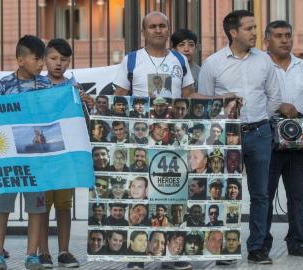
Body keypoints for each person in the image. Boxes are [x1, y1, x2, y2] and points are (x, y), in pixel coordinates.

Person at [198, 10, 285, 264]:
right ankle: (224, 248)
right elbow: (205, 103)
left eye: (255, 27)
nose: (255, 33)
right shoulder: (213, 63)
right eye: (249, 28)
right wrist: (225, 106)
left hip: (259, 132)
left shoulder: (265, 61)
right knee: (224, 193)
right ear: (233, 32)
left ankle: (257, 248)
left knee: (261, 193)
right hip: (226, 136)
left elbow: (275, 98)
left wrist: (258, 119)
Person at [114, 10, 196, 270]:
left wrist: (225, 101)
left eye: (163, 26)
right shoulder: (131, 61)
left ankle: (172, 253)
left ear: (168, 29)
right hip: (139, 141)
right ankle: (137, 254)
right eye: (153, 27)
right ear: (144, 31)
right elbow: (118, 100)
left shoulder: (180, 60)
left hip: (173, 142)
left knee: (172, 195)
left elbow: (189, 97)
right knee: (139, 196)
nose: (158, 30)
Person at [263, 20, 303, 258]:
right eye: (279, 35)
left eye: (288, 35)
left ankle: (297, 242)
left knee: (299, 196)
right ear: (267, 40)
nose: (285, 40)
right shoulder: (261, 66)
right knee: (264, 196)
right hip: (268, 141)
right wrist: (279, 105)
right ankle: (262, 244)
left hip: (300, 144)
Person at [0, 35, 54, 270]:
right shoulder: (5, 85)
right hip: (9, 157)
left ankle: (32, 255)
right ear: (20, 59)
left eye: (43, 59)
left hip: (37, 158)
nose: (41, 64)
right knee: (3, 206)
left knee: (36, 207)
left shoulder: (47, 85)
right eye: (37, 59)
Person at [39, 38, 87, 270]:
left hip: (66, 156)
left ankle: (64, 251)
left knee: (64, 205)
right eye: (54, 58)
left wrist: (85, 101)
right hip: (42, 156)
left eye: (64, 60)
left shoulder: (73, 87)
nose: (59, 64)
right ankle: (43, 252)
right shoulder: (35, 86)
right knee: (41, 205)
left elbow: (84, 120)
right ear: (45, 59)